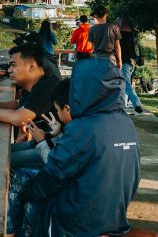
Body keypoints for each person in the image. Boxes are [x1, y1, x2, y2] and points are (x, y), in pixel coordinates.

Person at [28, 57, 140, 236]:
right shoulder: (126, 123)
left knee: (28, 190)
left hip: (77, 223)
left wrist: (33, 191)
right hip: (115, 218)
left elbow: (53, 174)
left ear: (82, 90)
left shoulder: (82, 128)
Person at [0, 42, 60, 169]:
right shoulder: (38, 83)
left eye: (13, 65)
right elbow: (18, 106)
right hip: (44, 141)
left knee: (2, 160)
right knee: (1, 152)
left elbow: (19, 118)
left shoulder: (48, 86)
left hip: (55, 151)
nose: (9, 70)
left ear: (31, 66)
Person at [7, 79, 72, 237]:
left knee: (21, 173)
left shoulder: (78, 129)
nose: (57, 113)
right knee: (10, 152)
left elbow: (55, 163)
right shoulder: (79, 124)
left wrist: (42, 140)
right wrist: (56, 133)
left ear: (68, 108)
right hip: (58, 166)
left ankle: (11, 229)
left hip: (63, 178)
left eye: (58, 110)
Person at [116, 17, 144, 114]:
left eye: (117, 23)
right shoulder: (133, 35)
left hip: (125, 62)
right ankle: (121, 105)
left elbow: (120, 50)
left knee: (126, 84)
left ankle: (137, 106)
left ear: (120, 24)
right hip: (132, 62)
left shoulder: (120, 36)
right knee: (123, 84)